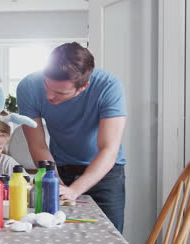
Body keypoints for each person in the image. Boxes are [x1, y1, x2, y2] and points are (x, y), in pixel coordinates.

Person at [16, 42, 127, 232]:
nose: (49, 96)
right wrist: (54, 182)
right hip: (59, 169)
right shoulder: (28, 87)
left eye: (60, 92)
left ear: (83, 87)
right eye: (47, 85)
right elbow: (38, 145)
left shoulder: (109, 86)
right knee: (58, 234)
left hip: (105, 174)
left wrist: (74, 190)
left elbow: (109, 149)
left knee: (107, 236)